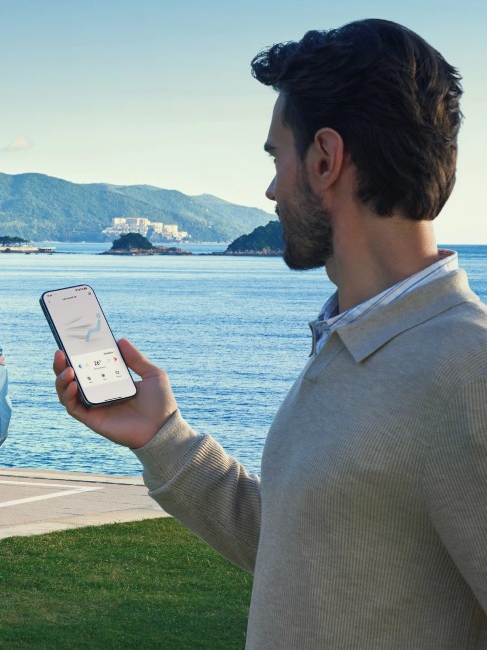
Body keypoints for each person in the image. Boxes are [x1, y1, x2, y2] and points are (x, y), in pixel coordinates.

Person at [53, 19, 487, 648]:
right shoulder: (355, 340)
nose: (270, 188)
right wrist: (162, 437)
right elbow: (302, 550)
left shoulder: (464, 371)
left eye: (275, 157)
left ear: (325, 159)